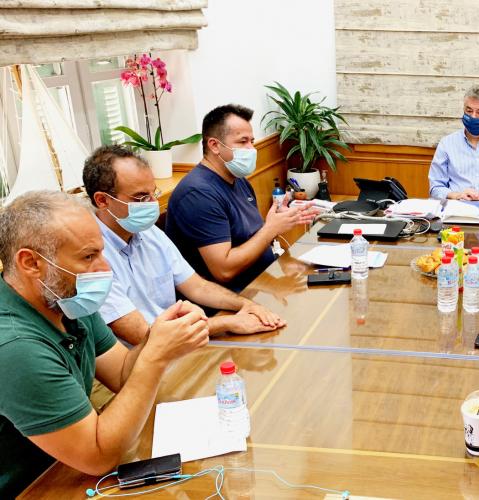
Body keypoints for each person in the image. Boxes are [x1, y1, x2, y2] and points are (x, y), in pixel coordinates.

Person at [0, 191, 209, 497]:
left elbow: (122, 373)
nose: (105, 268)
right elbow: (97, 456)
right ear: (31, 263)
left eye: (102, 252)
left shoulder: (66, 300)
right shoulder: (15, 347)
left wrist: (157, 336)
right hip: (33, 487)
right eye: (88, 257)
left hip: (66, 468)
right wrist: (155, 357)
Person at [83, 145, 286, 345]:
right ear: (102, 200)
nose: (152, 203)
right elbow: (140, 334)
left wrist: (245, 305)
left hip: (182, 342)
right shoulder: (89, 258)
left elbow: (197, 287)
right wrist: (227, 323)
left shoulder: (149, 232)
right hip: (142, 355)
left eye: (153, 193)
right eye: (141, 197)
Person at [165, 104, 318, 291]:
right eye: (243, 141)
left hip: (265, 280)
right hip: (230, 298)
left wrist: (279, 225)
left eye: (252, 141)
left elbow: (252, 238)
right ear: (214, 145)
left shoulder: (238, 180)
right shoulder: (197, 194)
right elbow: (224, 271)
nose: (252, 149)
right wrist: (270, 229)